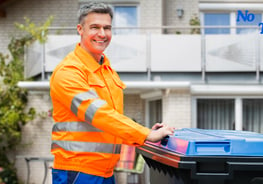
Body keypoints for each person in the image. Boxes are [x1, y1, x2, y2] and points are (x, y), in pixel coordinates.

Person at [49, 2, 175, 184]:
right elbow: (99, 115)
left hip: (106, 171)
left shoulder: (107, 71)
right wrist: (144, 134)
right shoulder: (68, 71)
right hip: (77, 171)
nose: (102, 34)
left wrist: (144, 137)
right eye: (95, 27)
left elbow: (113, 122)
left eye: (107, 28)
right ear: (80, 29)